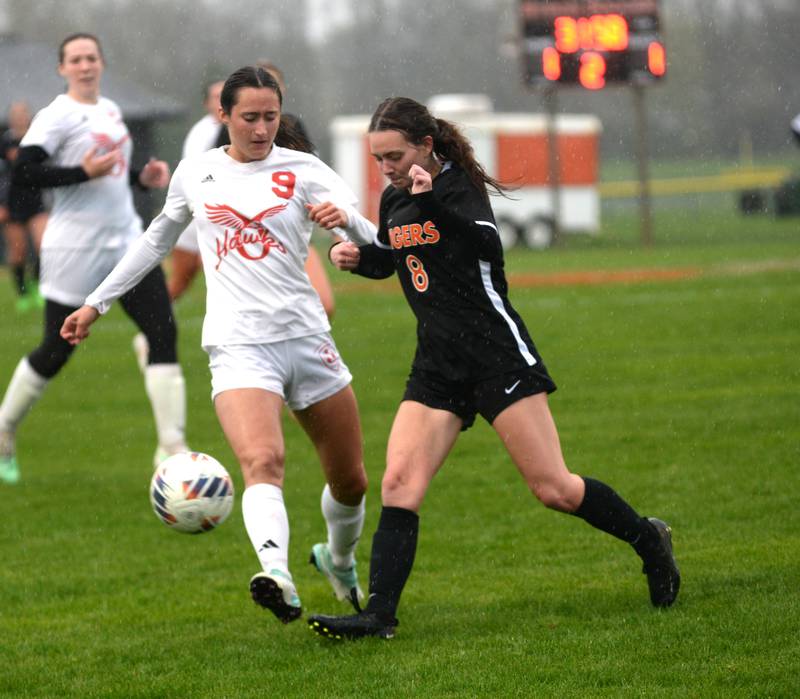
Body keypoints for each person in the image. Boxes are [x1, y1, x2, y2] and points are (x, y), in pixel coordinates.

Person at [307, 97, 681, 640]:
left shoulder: (456, 188)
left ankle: (649, 540)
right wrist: (358, 258)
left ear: (425, 146)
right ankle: (379, 615)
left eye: (393, 154)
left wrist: (429, 202)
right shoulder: (394, 199)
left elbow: (484, 244)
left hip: (493, 352)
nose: (384, 167)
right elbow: (397, 259)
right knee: (399, 482)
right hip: (437, 361)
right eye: (377, 158)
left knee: (553, 488)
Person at [59, 66, 378, 624]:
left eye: (270, 118)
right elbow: (156, 237)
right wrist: (95, 302)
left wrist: (347, 220)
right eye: (249, 117)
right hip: (238, 346)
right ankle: (276, 573)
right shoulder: (198, 173)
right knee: (262, 460)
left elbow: (375, 240)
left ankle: (339, 558)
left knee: (350, 480)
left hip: (307, 339)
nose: (260, 129)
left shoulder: (305, 169)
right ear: (223, 115)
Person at [0, 33, 188, 486]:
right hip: (75, 251)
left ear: (101, 63)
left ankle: (172, 446)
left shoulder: (110, 111)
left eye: (92, 57)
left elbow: (110, 181)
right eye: (75, 59)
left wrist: (142, 180)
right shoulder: (58, 115)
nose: (85, 65)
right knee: (57, 349)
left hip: (126, 243)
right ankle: (4, 429)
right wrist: (80, 171)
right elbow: (24, 171)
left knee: (162, 331)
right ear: (63, 68)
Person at [0, 101, 48, 313]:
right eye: (15, 114)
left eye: (23, 113)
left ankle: (38, 284)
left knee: (44, 245)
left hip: (36, 202)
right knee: (18, 253)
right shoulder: (5, 142)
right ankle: (23, 293)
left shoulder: (38, 139)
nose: (19, 118)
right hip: (11, 204)